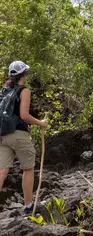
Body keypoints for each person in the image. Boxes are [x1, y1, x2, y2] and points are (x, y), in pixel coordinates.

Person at [0, 61, 48, 215]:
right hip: (19, 134)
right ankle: (28, 206)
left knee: (2, 171)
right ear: (24, 74)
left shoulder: (4, 90)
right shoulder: (24, 91)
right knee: (28, 168)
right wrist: (40, 123)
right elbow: (24, 116)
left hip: (3, 135)